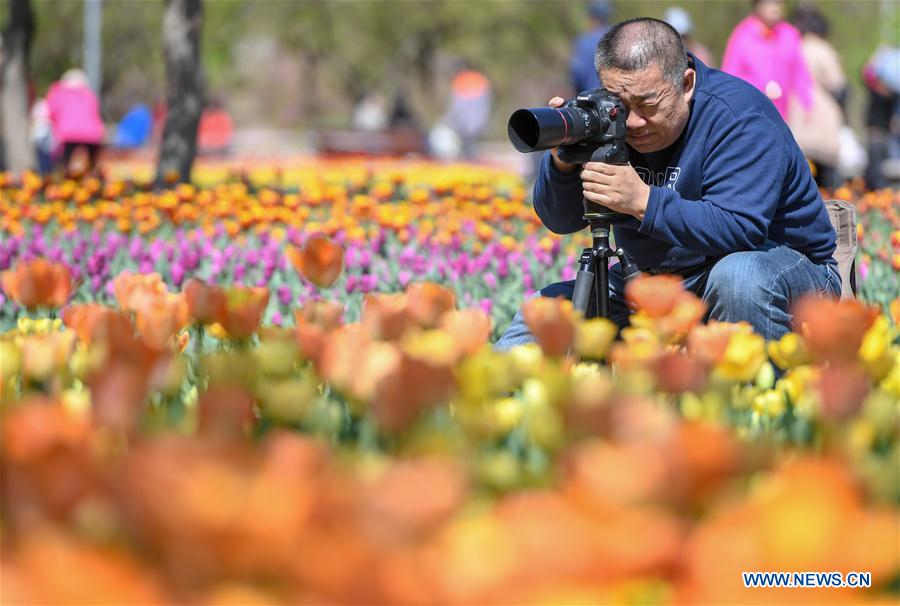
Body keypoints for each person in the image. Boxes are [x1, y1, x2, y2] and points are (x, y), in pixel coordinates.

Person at [495, 17, 839, 350]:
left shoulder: (739, 116)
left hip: (781, 268)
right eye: (621, 104)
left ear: (686, 84)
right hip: (655, 283)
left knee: (738, 278)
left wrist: (642, 200)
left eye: (647, 104)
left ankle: (753, 390)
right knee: (543, 313)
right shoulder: (603, 112)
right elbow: (561, 220)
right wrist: (563, 162)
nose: (633, 122)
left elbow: (739, 228)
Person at [787, 4, 849, 189]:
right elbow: (838, 84)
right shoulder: (823, 50)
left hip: (796, 116)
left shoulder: (791, 47)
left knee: (802, 178)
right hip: (822, 117)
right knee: (827, 180)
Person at [721, 0, 813, 121]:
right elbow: (730, 75)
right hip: (751, 111)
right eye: (769, 3)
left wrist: (807, 103)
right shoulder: (742, 36)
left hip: (784, 114)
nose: (775, 7)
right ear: (757, 6)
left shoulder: (789, 34)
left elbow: (800, 72)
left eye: (778, 3)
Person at [45, 68, 105, 173]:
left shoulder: (58, 93)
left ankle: (64, 177)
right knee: (92, 164)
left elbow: (51, 112)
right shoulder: (88, 94)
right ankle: (93, 178)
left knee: (65, 162)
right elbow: (95, 111)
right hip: (91, 133)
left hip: (68, 132)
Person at [441, 63, 491, 160]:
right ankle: (470, 157)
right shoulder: (479, 79)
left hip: (465, 125)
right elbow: (485, 105)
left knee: (467, 145)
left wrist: (450, 120)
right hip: (475, 123)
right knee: (470, 145)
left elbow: (456, 106)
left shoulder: (460, 81)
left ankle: (468, 157)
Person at [570, 0, 613, 93]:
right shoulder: (617, 38)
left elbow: (578, 73)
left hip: (589, 95)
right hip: (614, 97)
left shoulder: (584, 42)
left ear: (592, 17)